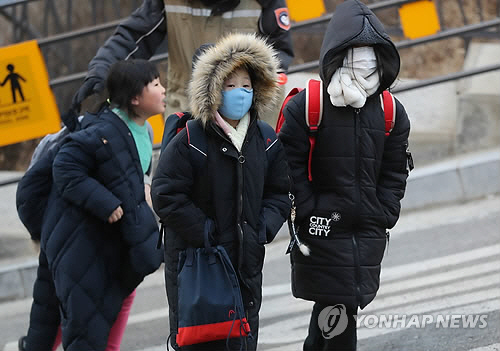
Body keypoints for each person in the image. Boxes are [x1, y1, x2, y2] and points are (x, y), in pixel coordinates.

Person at [278, 1, 413, 350]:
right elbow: (288, 165)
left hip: (366, 229)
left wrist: (384, 211)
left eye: (372, 52)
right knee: (339, 313)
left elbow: (396, 170)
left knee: (333, 314)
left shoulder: (390, 111)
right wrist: (310, 210)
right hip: (324, 227)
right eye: (356, 51)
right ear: (336, 54)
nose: (365, 60)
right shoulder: (306, 107)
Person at [151, 33, 291, 350]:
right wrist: (207, 232)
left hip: (247, 261)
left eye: (246, 85)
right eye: (229, 86)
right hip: (199, 265)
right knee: (204, 344)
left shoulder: (265, 137)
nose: (239, 93)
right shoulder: (189, 140)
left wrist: (261, 229)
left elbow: (280, 192)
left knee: (243, 341)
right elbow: (166, 195)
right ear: (212, 89)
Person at [28, 59, 163, 351]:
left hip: (111, 244)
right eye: (155, 84)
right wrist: (105, 202)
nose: (164, 90)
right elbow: (65, 167)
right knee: (77, 327)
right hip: (82, 243)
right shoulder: (105, 129)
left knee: (95, 320)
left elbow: (127, 176)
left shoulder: (146, 132)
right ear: (135, 98)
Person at [67, 0, 294, 131]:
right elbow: (134, 37)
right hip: (186, 106)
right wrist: (100, 72)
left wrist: (254, 92)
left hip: (247, 109)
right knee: (181, 191)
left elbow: (279, 50)